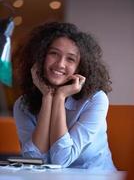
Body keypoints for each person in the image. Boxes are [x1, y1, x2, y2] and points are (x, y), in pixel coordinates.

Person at [13, 21, 116, 170]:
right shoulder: (23, 104)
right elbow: (34, 161)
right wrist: (48, 97)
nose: (60, 64)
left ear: (80, 67)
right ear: (40, 57)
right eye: (53, 54)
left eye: (70, 59)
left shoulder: (96, 100)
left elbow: (62, 159)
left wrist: (60, 97)